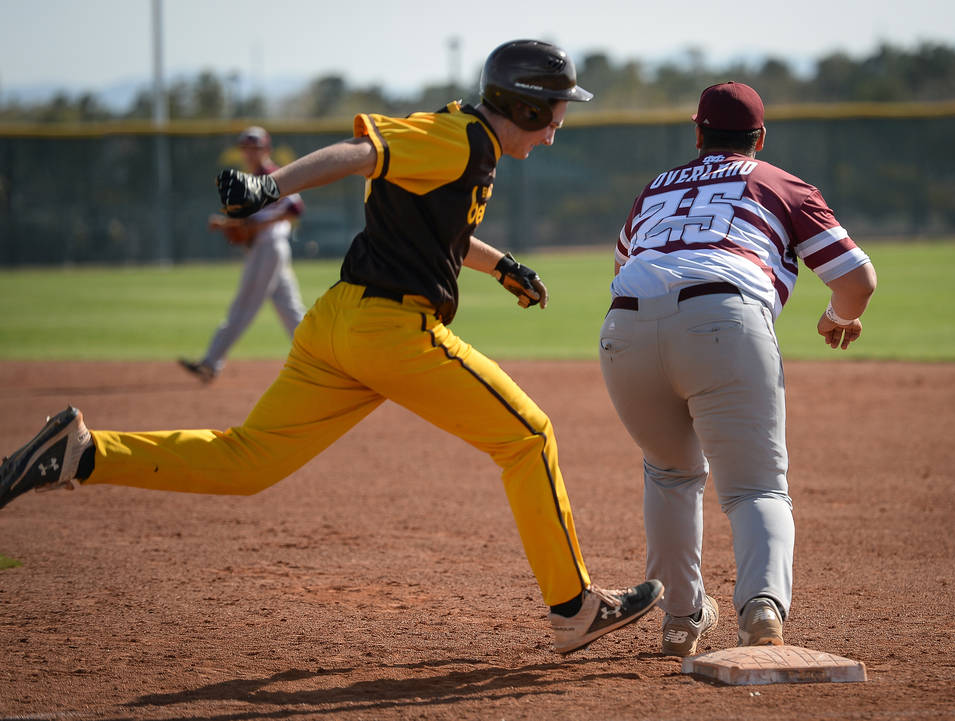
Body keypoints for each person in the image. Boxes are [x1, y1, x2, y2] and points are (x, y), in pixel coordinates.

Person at [0, 40, 662, 656]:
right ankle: (575, 607)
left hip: (339, 323)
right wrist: (270, 187)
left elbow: (440, 227)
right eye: (552, 113)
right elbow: (361, 153)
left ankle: (81, 455)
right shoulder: (458, 137)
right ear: (522, 106)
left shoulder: (465, 143)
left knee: (246, 460)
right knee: (529, 436)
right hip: (392, 333)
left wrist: (503, 266)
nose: (556, 127)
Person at [598, 81, 877, 656]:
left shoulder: (654, 188)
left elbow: (627, 264)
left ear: (698, 134)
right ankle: (763, 609)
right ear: (761, 137)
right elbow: (856, 279)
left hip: (623, 326)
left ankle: (680, 619)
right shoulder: (777, 181)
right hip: (724, 317)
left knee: (670, 474)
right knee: (754, 487)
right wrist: (836, 316)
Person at [178, 125, 308, 383]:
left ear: (267, 149)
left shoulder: (273, 174)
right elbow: (251, 222)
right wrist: (228, 224)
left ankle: (211, 362)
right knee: (291, 310)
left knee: (244, 305)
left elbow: (296, 208)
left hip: (269, 247)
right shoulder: (251, 177)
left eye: (255, 148)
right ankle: (323, 357)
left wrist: (252, 225)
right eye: (246, 148)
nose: (250, 153)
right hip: (267, 248)